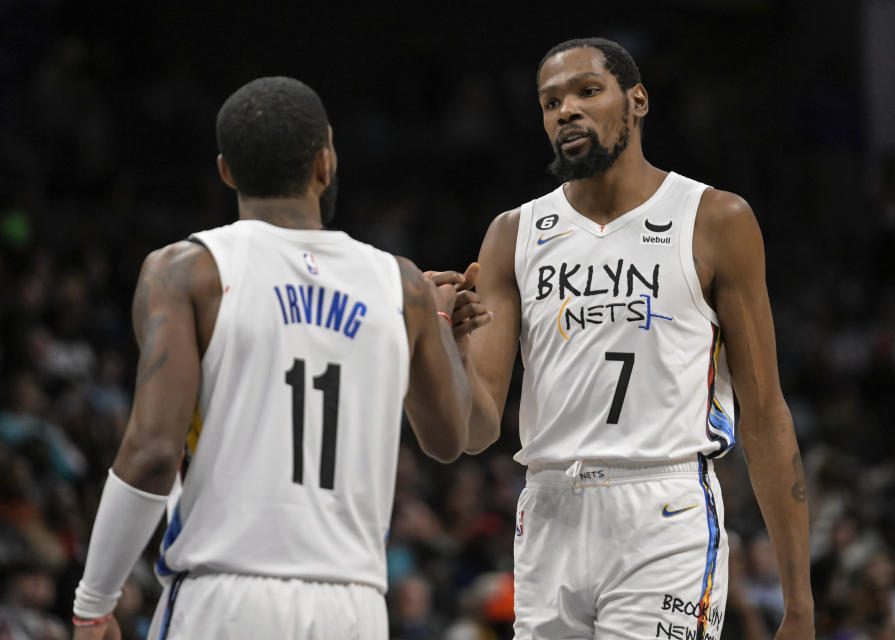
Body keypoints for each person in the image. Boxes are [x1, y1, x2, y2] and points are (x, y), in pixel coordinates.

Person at [434, 38, 815, 639]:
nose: (566, 111)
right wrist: (451, 348)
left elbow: (766, 416)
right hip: (549, 509)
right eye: (550, 101)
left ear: (637, 101)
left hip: (663, 508)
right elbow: (478, 429)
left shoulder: (715, 220)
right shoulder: (513, 234)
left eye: (587, 91)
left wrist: (799, 604)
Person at [70, 76, 472, 640]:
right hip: (353, 607)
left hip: (226, 596)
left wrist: (95, 604)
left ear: (226, 171)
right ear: (325, 161)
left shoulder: (188, 270)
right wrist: (441, 322)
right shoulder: (401, 285)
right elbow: (449, 438)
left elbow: (154, 451)